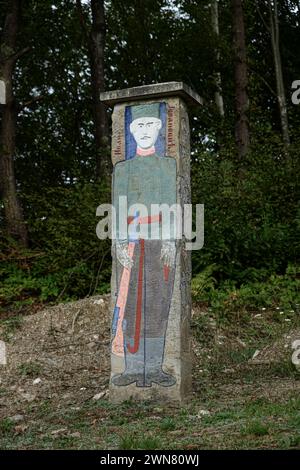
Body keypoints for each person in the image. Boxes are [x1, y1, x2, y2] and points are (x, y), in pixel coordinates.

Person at [111, 102, 177, 387]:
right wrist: (120, 241)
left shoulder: (168, 165)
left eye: (151, 124)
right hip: (133, 244)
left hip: (159, 242)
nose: (146, 131)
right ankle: (132, 368)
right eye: (140, 125)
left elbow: (173, 204)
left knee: (159, 305)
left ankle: (155, 366)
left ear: (161, 127)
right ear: (130, 129)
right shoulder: (123, 169)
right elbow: (117, 205)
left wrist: (171, 239)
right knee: (130, 305)